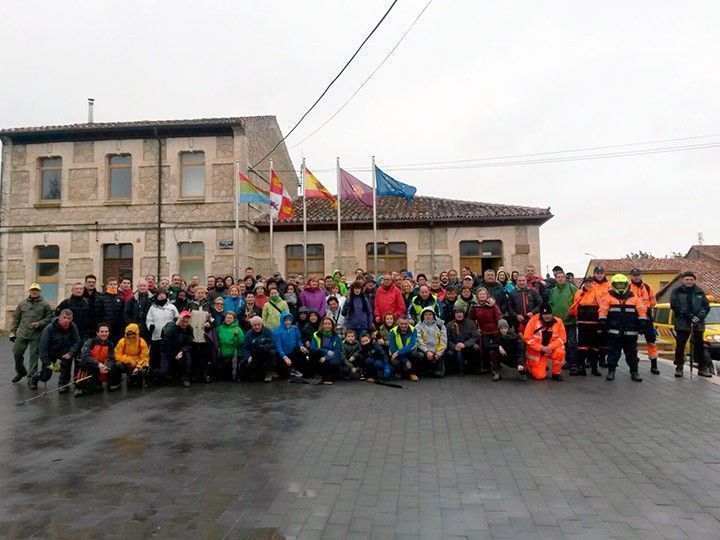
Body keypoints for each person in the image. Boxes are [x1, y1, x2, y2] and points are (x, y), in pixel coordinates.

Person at [599, 274, 646, 382]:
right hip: (614, 332)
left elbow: (642, 311)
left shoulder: (634, 298)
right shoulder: (608, 297)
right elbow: (602, 311)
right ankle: (611, 371)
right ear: (613, 285)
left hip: (631, 332)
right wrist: (602, 322)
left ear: (626, 284)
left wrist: (642, 323)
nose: (620, 286)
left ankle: (634, 371)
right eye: (618, 284)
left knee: (632, 354)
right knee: (612, 353)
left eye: (622, 284)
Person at [9, 283, 54, 387]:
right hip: (22, 333)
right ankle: (21, 371)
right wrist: (12, 331)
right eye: (32, 290)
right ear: (29, 291)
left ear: (39, 291)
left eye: (36, 290)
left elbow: (50, 318)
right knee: (17, 352)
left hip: (37, 334)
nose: (34, 292)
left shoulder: (45, 304)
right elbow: (16, 318)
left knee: (34, 357)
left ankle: (31, 378)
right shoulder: (22, 304)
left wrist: (40, 323)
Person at [670, 271, 711, 377]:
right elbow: (674, 305)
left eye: (691, 279)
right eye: (687, 279)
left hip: (698, 323)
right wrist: (688, 316)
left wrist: (698, 317)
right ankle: (679, 367)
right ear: (683, 280)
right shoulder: (676, 291)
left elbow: (706, 306)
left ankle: (702, 368)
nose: (689, 281)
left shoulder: (699, 292)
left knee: (699, 347)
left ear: (694, 280)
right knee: (680, 345)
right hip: (682, 322)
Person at [35, 309, 82, 392]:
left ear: (71, 319)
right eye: (64, 318)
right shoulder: (49, 329)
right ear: (59, 317)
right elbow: (43, 347)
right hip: (51, 353)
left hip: (64, 351)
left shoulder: (73, 327)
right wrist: (48, 363)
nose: (66, 320)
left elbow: (77, 342)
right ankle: (35, 377)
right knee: (46, 376)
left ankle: (63, 384)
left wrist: (70, 353)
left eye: (69, 318)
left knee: (66, 363)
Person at [568, 277, 603, 377]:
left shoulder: (598, 292)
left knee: (595, 347)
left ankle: (594, 368)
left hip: (594, 324)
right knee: (581, 347)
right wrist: (572, 314)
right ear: (584, 283)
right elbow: (575, 306)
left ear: (593, 283)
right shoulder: (578, 293)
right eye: (586, 282)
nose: (588, 284)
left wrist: (601, 322)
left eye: (590, 282)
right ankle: (581, 368)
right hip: (582, 324)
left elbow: (601, 307)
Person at [523, 304, 566, 381]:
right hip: (538, 351)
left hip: (550, 349)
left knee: (560, 351)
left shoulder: (558, 322)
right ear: (540, 314)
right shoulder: (533, 321)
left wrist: (549, 347)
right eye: (544, 314)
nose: (547, 316)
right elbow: (527, 338)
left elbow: (562, 338)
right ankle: (529, 365)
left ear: (552, 314)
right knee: (540, 376)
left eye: (549, 314)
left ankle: (556, 373)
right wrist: (542, 348)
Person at [629, 268, 660, 375]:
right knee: (632, 342)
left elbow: (653, 303)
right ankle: (633, 364)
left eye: (638, 274)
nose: (636, 276)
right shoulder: (628, 288)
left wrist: (646, 312)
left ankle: (654, 365)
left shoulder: (648, 287)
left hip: (646, 317)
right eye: (634, 275)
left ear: (641, 275)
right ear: (631, 276)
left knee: (651, 341)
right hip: (633, 317)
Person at [548, 268, 578, 370]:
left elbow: (578, 301)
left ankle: (574, 363)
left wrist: (573, 313)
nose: (560, 279)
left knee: (572, 342)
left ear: (565, 278)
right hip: (558, 323)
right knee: (562, 343)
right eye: (558, 277)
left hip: (570, 320)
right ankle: (568, 361)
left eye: (562, 277)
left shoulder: (572, 288)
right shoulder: (553, 291)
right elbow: (551, 304)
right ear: (555, 279)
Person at [145, 289, 179, 378]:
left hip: (169, 336)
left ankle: (169, 374)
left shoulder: (172, 307)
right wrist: (150, 326)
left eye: (163, 294)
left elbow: (177, 318)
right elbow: (149, 319)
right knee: (156, 356)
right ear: (157, 296)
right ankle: (155, 374)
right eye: (160, 294)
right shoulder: (152, 308)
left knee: (168, 355)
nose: (162, 296)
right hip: (156, 335)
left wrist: (175, 323)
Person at [75, 323, 115, 397]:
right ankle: (79, 386)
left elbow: (111, 359)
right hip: (89, 367)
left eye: (106, 331)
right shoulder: (90, 342)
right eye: (102, 332)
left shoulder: (110, 344)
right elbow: (85, 357)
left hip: (100, 368)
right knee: (87, 391)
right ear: (97, 333)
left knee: (113, 367)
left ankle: (103, 383)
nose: (104, 334)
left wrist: (106, 367)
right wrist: (99, 365)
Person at [468, 288, 502, 373]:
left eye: (484, 294)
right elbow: (471, 318)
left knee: (495, 349)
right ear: (477, 296)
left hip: (495, 330)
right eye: (480, 294)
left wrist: (494, 306)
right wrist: (476, 328)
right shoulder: (475, 306)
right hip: (483, 331)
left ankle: (497, 366)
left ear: (487, 295)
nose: (482, 296)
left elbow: (499, 316)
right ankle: (487, 366)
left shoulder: (492, 305)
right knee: (485, 349)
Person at [159, 310, 195, 387]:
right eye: (183, 321)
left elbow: (189, 343)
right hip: (167, 351)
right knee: (163, 372)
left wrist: (182, 351)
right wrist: (176, 324)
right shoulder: (170, 325)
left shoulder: (189, 329)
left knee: (187, 357)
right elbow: (166, 335)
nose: (184, 323)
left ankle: (185, 378)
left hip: (180, 350)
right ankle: (151, 373)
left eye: (186, 321)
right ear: (179, 319)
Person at [188, 286, 215, 383]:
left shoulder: (208, 305)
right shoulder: (190, 304)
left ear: (205, 294)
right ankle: (195, 375)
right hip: (193, 333)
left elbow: (212, 318)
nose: (200, 294)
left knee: (205, 355)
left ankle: (205, 374)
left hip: (204, 334)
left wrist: (209, 323)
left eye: (202, 293)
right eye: (198, 292)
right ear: (194, 294)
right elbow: (185, 316)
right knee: (194, 355)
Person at [241, 316, 279, 383]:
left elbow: (273, 343)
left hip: (265, 353)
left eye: (259, 324)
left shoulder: (268, 331)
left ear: (262, 324)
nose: (257, 327)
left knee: (272, 352)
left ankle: (269, 373)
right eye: (254, 325)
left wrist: (265, 347)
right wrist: (248, 357)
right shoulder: (248, 334)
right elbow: (245, 348)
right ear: (251, 326)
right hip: (254, 354)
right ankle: (255, 372)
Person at [113, 323, 150, 389]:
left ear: (137, 333)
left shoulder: (141, 342)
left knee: (136, 385)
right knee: (117, 365)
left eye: (133, 333)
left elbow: (144, 357)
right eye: (129, 334)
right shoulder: (122, 341)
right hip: (126, 363)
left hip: (137, 364)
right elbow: (117, 355)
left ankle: (142, 380)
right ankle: (116, 383)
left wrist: (138, 367)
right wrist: (129, 360)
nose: (131, 335)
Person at [414, 307, 448, 378]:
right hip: (425, 350)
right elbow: (418, 341)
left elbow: (443, 341)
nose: (428, 316)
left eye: (430, 314)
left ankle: (436, 369)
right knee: (419, 355)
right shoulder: (418, 326)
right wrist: (427, 351)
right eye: (426, 315)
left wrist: (438, 353)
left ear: (434, 315)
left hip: (437, 350)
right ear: (423, 316)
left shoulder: (440, 325)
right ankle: (424, 370)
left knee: (440, 374)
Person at [446, 307, 481, 375]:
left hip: (468, 346)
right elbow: (447, 339)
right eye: (457, 313)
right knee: (449, 353)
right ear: (454, 314)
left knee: (476, 347)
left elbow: (476, 337)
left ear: (463, 314)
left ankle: (475, 368)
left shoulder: (470, 323)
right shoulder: (449, 325)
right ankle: (456, 369)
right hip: (456, 347)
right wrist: (454, 346)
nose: (459, 315)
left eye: (461, 313)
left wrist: (465, 344)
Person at [273, 312, 308, 379]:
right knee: (284, 375)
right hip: (283, 356)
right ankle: (290, 369)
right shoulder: (276, 331)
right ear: (282, 320)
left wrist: (301, 346)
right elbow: (278, 347)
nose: (288, 322)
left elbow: (298, 340)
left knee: (301, 351)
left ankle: (296, 369)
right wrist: (285, 357)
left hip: (293, 353)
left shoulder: (294, 328)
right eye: (286, 320)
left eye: (289, 320)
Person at [309, 317, 343, 385]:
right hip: (320, 355)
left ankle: (330, 376)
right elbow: (312, 349)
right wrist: (325, 352)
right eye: (325, 324)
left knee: (334, 363)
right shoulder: (316, 334)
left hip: (330, 357)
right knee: (314, 353)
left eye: (329, 324)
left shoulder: (337, 337)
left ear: (332, 326)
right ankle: (317, 375)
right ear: (322, 325)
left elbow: (337, 352)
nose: (327, 325)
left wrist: (326, 357)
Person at [94, 278, 126, 346]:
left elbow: (123, 314)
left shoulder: (121, 299)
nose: (113, 286)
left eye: (115, 284)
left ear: (117, 286)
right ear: (107, 286)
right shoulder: (100, 298)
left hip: (118, 329)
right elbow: (96, 314)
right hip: (105, 328)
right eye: (111, 284)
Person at [590, 265, 611, 367]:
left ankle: (603, 359)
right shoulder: (590, 284)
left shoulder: (609, 285)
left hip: (606, 314)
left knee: (604, 338)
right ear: (594, 274)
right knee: (592, 337)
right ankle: (590, 359)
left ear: (604, 274)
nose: (599, 275)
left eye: (601, 273)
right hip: (592, 314)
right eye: (597, 273)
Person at [388, 315, 419, 382]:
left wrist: (399, 352)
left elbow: (412, 345)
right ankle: (398, 372)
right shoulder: (392, 332)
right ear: (398, 323)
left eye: (405, 324)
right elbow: (393, 349)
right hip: (397, 355)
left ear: (408, 323)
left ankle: (412, 373)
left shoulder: (414, 330)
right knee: (395, 361)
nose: (403, 326)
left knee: (415, 353)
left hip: (406, 353)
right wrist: (405, 360)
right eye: (401, 324)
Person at [216, 311, 244, 381]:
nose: (228, 319)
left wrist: (237, 335)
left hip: (233, 355)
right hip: (222, 354)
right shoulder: (220, 328)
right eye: (227, 317)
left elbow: (242, 342)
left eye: (230, 318)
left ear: (234, 319)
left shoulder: (237, 329)